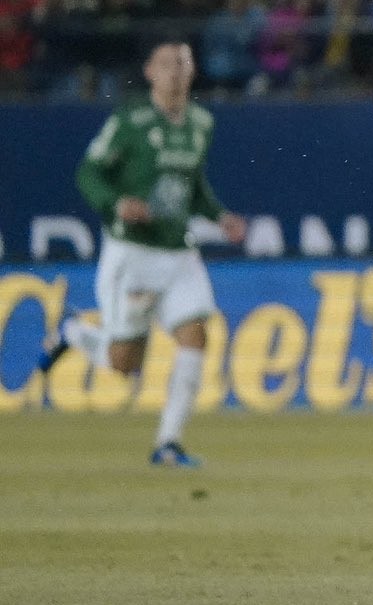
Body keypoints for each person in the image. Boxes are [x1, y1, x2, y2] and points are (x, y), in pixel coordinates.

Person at [38, 37, 248, 467]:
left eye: (184, 65)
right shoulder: (130, 120)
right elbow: (89, 171)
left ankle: (168, 443)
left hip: (177, 252)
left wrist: (219, 215)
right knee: (123, 365)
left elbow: (192, 185)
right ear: (151, 72)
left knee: (196, 335)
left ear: (192, 73)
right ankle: (74, 332)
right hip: (130, 254)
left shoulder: (201, 123)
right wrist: (115, 203)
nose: (176, 72)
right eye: (168, 64)